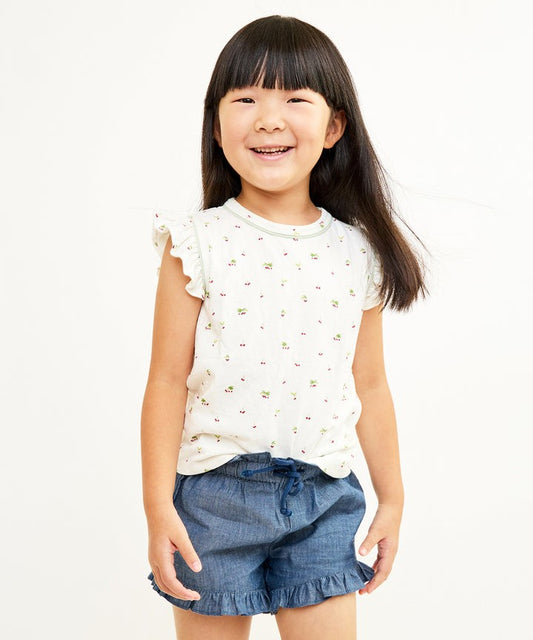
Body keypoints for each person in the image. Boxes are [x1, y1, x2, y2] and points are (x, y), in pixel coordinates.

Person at [141, 14, 428, 640]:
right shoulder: (195, 242)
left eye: (295, 99)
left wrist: (393, 497)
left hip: (324, 500)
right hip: (214, 501)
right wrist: (158, 506)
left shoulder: (358, 251)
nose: (268, 119)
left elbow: (370, 385)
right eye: (245, 99)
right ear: (216, 126)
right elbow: (166, 380)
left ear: (334, 127)